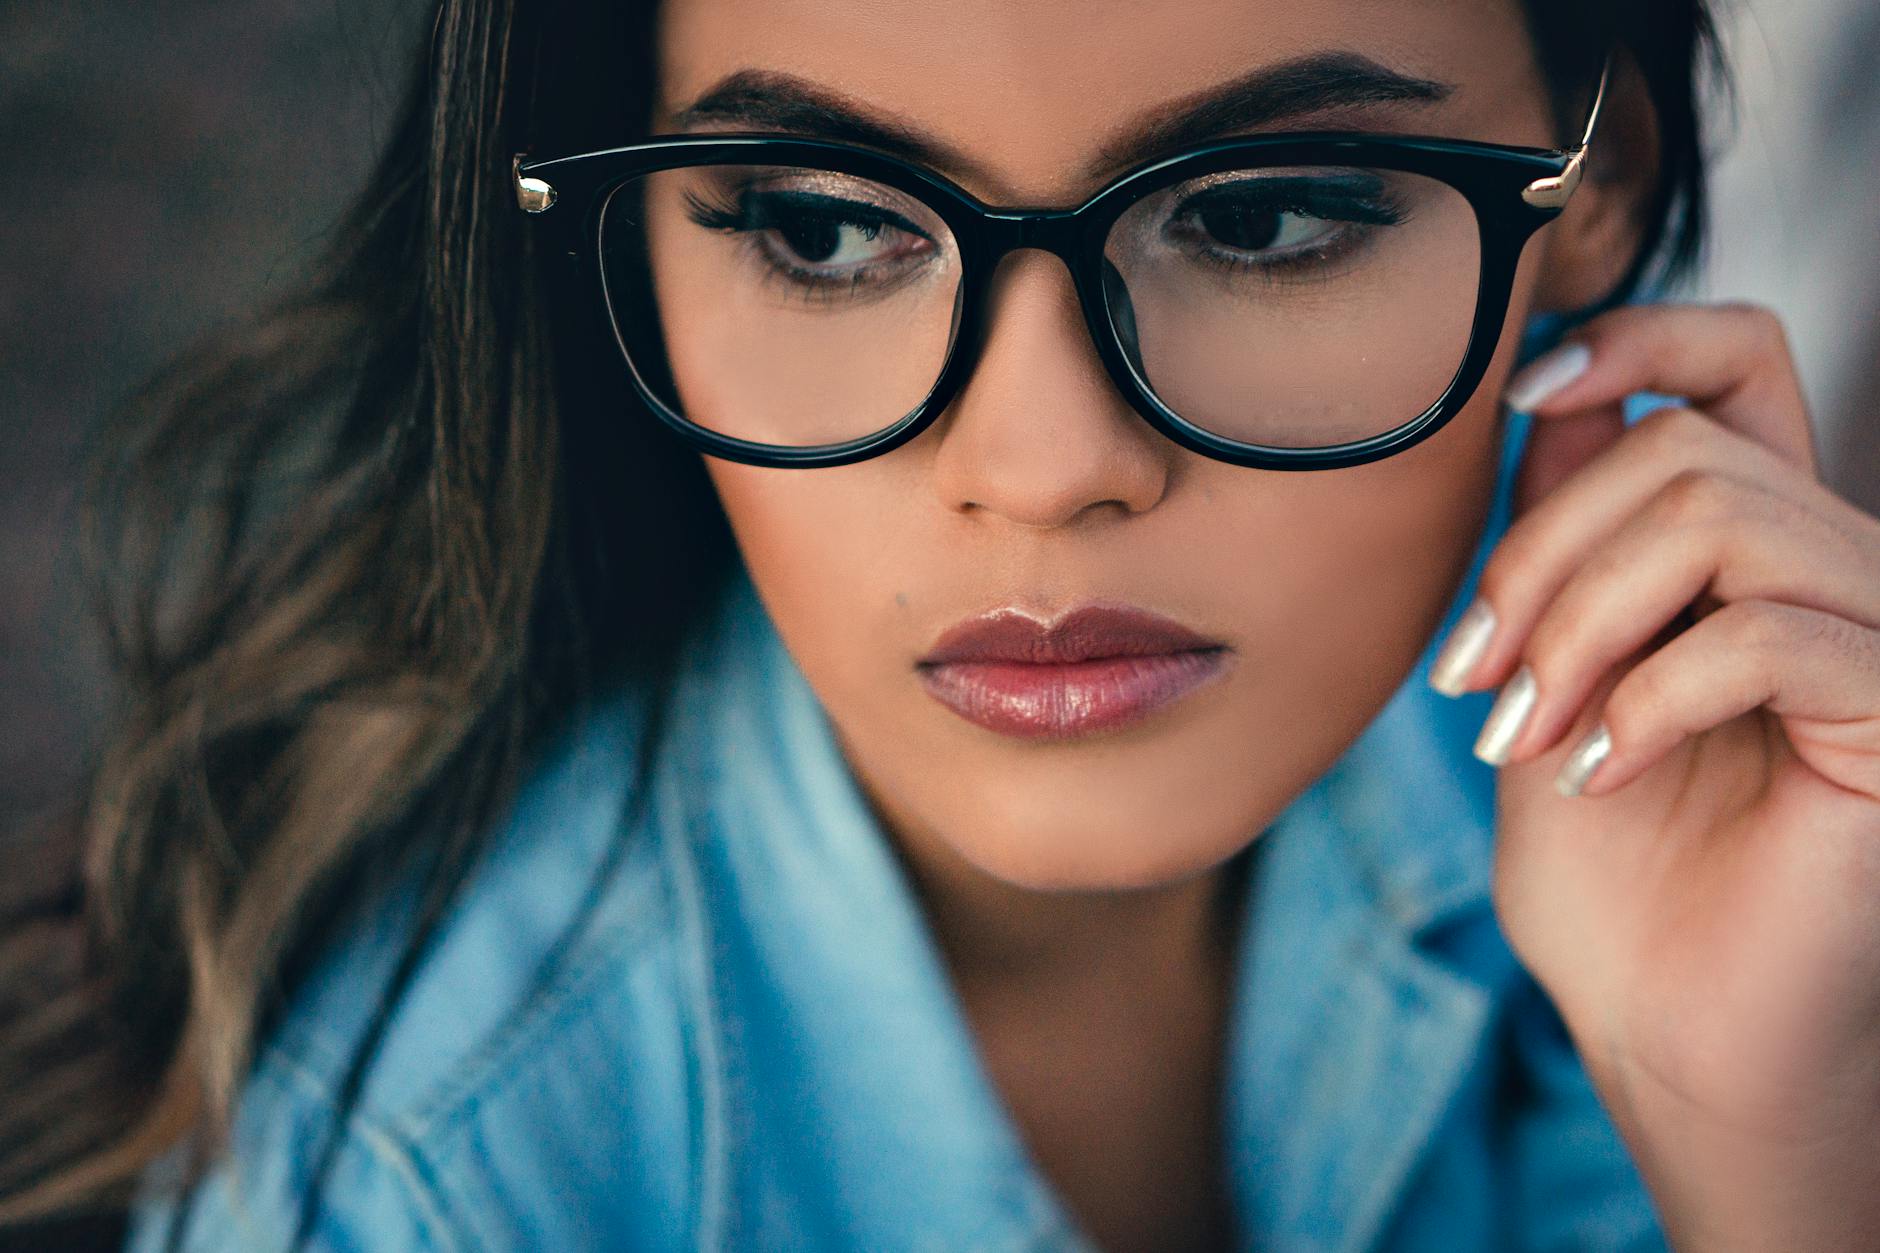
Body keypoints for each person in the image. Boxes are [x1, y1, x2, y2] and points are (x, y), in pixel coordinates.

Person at [3, 0, 1879, 1249]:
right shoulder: (433, 1185)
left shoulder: (1670, 750)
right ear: (630, 255)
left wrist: (1769, 1138)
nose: (1046, 462)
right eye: (825, 229)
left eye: (1271, 213)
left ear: (1595, 182)